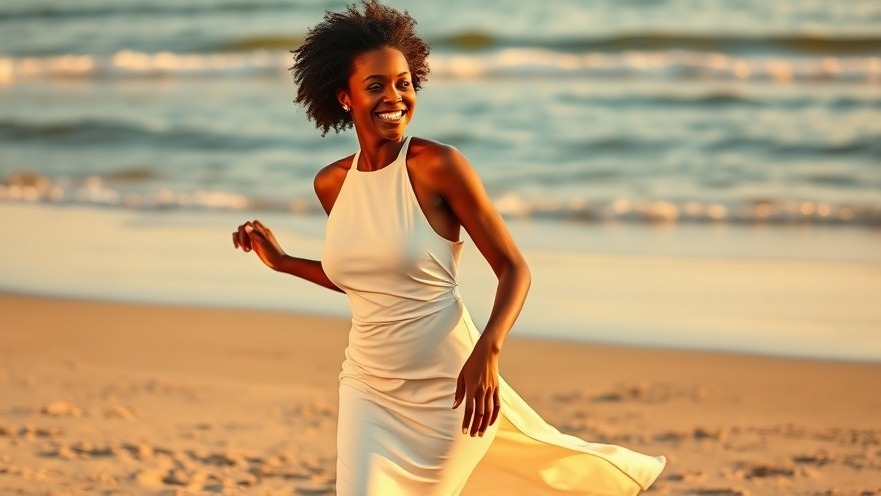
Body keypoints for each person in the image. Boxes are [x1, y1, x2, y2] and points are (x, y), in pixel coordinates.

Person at [232, 1, 665, 494]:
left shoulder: (438, 165)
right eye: (376, 86)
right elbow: (372, 280)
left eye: (404, 83)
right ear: (345, 97)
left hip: (451, 388)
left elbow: (514, 268)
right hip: (366, 387)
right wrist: (284, 263)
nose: (395, 97)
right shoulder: (331, 183)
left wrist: (488, 351)